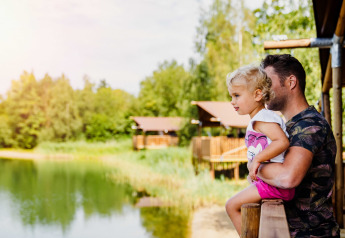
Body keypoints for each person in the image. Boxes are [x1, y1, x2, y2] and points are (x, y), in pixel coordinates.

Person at [253, 54, 340, 237]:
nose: (263, 89)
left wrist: (255, 166)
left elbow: (287, 177)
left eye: (268, 82)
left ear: (291, 82)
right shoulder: (288, 127)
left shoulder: (309, 125)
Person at [224, 65, 295, 236]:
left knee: (231, 206)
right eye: (231, 96)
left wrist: (257, 160)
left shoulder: (262, 119)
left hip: (275, 184)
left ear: (257, 95)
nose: (232, 101)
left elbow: (282, 141)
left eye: (237, 95)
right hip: (269, 183)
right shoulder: (261, 119)